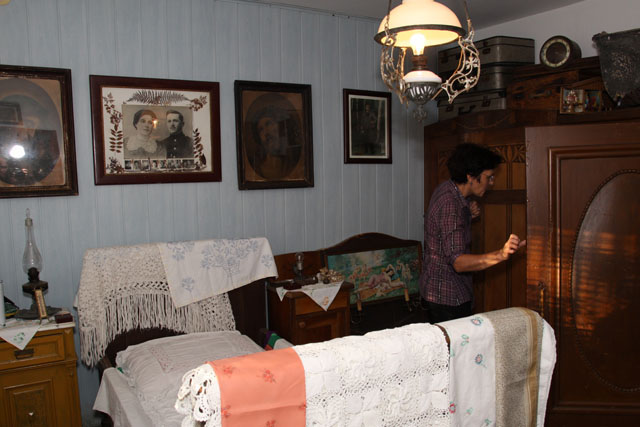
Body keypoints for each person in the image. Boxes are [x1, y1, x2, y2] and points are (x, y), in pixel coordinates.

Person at [419, 143, 526, 323]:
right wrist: (501, 255)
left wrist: (468, 212)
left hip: (446, 293)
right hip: (447, 298)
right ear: (470, 176)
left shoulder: (448, 190)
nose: (491, 183)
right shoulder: (450, 204)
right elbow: (459, 262)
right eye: (488, 177)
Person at [248, 105, 301, 180]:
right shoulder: (257, 169)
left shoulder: (293, 166)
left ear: (280, 127)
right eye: (261, 130)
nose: (266, 133)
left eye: (269, 124)